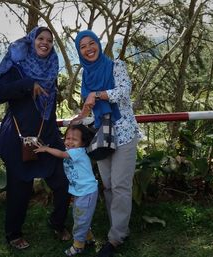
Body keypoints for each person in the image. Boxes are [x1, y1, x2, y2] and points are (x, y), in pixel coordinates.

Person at [0, 26, 71, 250]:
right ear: (31, 41)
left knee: (62, 183)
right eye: (40, 38)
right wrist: (27, 85)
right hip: (19, 138)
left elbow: (50, 108)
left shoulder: (51, 68)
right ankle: (13, 233)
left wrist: (57, 138)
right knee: (20, 189)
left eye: (49, 40)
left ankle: (56, 223)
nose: (45, 42)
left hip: (46, 137)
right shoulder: (17, 68)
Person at [72, 30, 142, 257]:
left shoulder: (116, 65)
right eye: (83, 46)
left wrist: (99, 94)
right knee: (109, 185)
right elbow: (90, 111)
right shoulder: (86, 75)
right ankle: (120, 229)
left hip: (123, 133)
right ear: (79, 51)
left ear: (99, 45)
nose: (88, 48)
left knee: (121, 185)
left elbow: (123, 92)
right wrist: (81, 116)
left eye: (92, 43)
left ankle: (114, 239)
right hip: (101, 135)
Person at [34, 124, 98, 256]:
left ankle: (78, 245)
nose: (69, 141)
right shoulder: (73, 150)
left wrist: (46, 149)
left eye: (74, 139)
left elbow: (61, 154)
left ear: (83, 142)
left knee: (80, 218)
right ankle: (88, 237)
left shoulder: (78, 152)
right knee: (80, 216)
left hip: (86, 192)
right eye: (67, 138)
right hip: (82, 191)